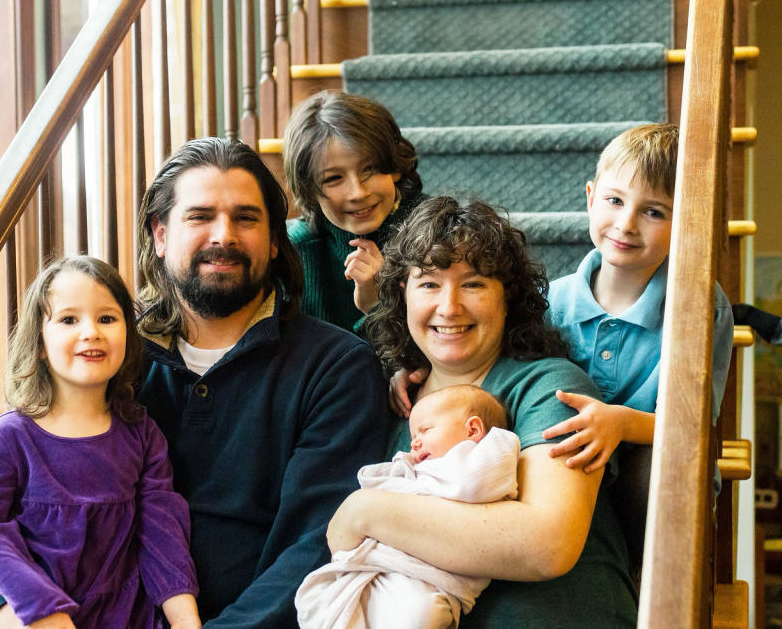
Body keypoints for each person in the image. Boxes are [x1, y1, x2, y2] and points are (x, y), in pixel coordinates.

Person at [0, 138, 391, 628]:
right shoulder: (108, 352)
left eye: (246, 218)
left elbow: (316, 541)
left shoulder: (337, 367)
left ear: (273, 239)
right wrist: (9, 612)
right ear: (160, 234)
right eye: (199, 216)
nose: (223, 235)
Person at [334, 196, 637, 627]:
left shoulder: (550, 386)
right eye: (429, 284)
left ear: (507, 297)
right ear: (402, 295)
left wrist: (365, 511)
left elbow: (546, 545)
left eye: (473, 283)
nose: (449, 307)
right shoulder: (391, 400)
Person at [0, 256, 200, 628]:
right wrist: (43, 610)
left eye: (107, 318)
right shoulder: (9, 438)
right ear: (39, 342)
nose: (91, 331)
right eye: (69, 319)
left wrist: (185, 618)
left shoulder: (142, 434)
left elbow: (161, 530)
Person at [542, 123, 734, 566]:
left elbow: (693, 425)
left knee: (657, 471)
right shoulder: (550, 302)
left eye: (654, 212)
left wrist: (622, 424)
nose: (625, 224)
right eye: (614, 201)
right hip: (569, 465)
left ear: (686, 220)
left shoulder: (699, 306)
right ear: (591, 197)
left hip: (652, 480)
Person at [295, 385, 520, 629]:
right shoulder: (420, 470)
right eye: (413, 436)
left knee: (419, 615)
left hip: (429, 581)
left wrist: (387, 498)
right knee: (319, 603)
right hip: (384, 568)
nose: (414, 443)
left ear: (473, 429)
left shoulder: (487, 460)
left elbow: (470, 487)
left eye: (425, 430)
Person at [284, 90, 426, 332]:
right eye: (334, 178)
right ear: (309, 190)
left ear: (395, 167)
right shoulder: (295, 250)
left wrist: (378, 307)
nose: (358, 192)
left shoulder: (437, 235)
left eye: (369, 169)